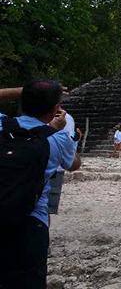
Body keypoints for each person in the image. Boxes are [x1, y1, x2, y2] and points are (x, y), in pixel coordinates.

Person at [0, 80, 80, 289]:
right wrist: (69, 136)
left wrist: (22, 91)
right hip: (30, 224)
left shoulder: (2, 125)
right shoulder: (58, 138)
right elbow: (73, 164)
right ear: (55, 109)